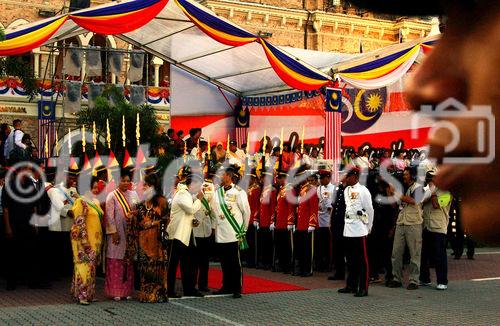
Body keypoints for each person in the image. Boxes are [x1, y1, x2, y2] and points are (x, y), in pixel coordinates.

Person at [211, 165, 250, 298]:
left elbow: (246, 212)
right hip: (221, 233)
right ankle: (226, 286)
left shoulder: (239, 192)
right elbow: (214, 212)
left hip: (234, 233)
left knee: (235, 263)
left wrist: (243, 230)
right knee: (224, 262)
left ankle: (237, 288)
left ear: (229, 176)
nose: (220, 177)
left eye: (222, 175)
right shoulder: (217, 193)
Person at [167, 169, 204, 298]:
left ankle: (189, 289)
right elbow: (190, 209)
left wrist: (193, 221)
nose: (199, 189)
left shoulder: (187, 194)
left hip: (186, 234)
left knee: (189, 263)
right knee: (173, 264)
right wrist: (199, 200)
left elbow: (187, 214)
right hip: (177, 235)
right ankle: (169, 290)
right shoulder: (183, 193)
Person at [338, 167, 374, 297]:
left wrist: (369, 227)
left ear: (355, 177)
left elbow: (370, 210)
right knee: (350, 259)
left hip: (359, 228)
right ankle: (351, 285)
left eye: (348, 176)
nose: (346, 178)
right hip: (348, 228)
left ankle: (363, 287)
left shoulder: (363, 190)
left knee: (362, 260)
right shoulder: (346, 190)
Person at [388, 167, 425, 290]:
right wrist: (390, 190)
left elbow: (412, 200)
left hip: (414, 223)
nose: (404, 176)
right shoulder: (404, 188)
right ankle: (396, 278)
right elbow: (394, 204)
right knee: (396, 252)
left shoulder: (419, 188)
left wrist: (396, 192)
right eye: (403, 174)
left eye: (406, 174)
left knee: (414, 253)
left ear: (413, 176)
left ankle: (414, 280)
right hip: (401, 222)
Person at [135, 173, 169, 302]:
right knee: (144, 267)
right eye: (143, 184)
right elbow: (137, 219)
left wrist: (152, 223)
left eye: (147, 185)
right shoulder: (142, 202)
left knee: (157, 267)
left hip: (157, 240)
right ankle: (146, 295)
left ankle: (158, 295)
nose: (144, 187)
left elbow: (166, 219)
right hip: (143, 240)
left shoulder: (161, 201)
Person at [104, 168, 137, 301]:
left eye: (128, 181)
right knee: (116, 260)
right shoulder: (111, 196)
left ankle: (127, 290)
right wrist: (114, 233)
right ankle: (115, 291)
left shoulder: (133, 194)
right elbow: (109, 217)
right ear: (118, 181)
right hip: (117, 234)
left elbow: (137, 211)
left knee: (128, 261)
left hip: (129, 233)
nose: (125, 183)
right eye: (123, 180)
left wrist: (133, 215)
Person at [70, 177, 104, 305]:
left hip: (94, 239)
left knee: (92, 267)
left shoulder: (95, 201)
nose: (96, 190)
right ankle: (81, 295)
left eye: (97, 187)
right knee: (83, 266)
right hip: (82, 240)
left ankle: (89, 294)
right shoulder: (80, 202)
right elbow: (79, 223)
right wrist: (84, 241)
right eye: (93, 187)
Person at [419, 170, 451, 290]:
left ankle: (442, 281)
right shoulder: (427, 191)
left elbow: (436, 204)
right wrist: (428, 191)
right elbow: (421, 202)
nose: (429, 181)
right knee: (424, 255)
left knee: (439, 255)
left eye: (431, 179)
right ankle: (424, 278)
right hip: (426, 226)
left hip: (438, 227)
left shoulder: (446, 193)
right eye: (428, 179)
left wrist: (432, 192)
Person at [193, 170, 215, 293]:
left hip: (206, 229)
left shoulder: (209, 187)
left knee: (204, 261)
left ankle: (203, 284)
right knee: (194, 260)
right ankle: (192, 284)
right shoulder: (187, 189)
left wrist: (213, 226)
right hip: (195, 229)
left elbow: (213, 208)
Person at [293, 169, 319, 277]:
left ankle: (308, 269)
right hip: (301, 223)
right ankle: (302, 268)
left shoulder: (312, 190)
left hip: (308, 224)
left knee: (308, 249)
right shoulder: (303, 190)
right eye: (307, 179)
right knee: (302, 249)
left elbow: (314, 208)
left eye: (310, 180)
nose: (308, 181)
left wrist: (312, 223)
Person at [272, 169, 295, 274]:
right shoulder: (281, 190)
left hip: (286, 223)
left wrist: (290, 221)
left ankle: (288, 266)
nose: (278, 180)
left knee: (287, 246)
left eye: (279, 178)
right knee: (280, 245)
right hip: (279, 223)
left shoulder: (289, 189)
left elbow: (291, 207)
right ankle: (281, 264)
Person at [256, 168, 277, 270]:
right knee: (263, 243)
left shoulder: (273, 190)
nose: (262, 179)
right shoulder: (264, 189)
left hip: (268, 221)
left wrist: (272, 221)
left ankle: (268, 262)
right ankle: (263, 261)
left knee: (268, 244)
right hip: (263, 221)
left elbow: (273, 207)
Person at [328, 173, 347, 281]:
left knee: (345, 247)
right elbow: (333, 206)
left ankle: (345, 271)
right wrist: (330, 221)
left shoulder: (350, 189)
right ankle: (339, 272)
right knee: (337, 247)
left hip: (344, 222)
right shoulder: (338, 188)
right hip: (336, 221)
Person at [315, 169, 334, 272]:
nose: (321, 180)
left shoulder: (333, 188)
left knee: (328, 244)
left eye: (323, 178)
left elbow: (333, 205)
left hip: (328, 220)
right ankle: (320, 263)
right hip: (320, 218)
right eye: (320, 178)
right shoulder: (318, 189)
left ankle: (328, 264)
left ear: (328, 178)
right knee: (320, 244)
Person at [244, 169, 261, 268]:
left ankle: (253, 261)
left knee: (252, 241)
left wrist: (255, 218)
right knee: (247, 240)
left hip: (252, 218)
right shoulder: (249, 189)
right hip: (247, 218)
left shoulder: (256, 189)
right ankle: (248, 259)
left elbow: (257, 205)